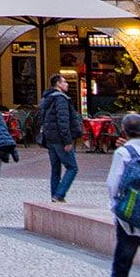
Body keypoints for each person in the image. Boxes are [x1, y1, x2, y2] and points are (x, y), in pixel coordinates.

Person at [104, 112, 140, 277]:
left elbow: (112, 185)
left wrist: (117, 209)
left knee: (120, 272)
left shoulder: (123, 153)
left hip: (128, 221)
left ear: (123, 131)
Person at [38, 72, 83, 202]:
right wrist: (67, 140)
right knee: (72, 167)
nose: (67, 84)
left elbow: (41, 119)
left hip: (50, 138)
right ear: (58, 84)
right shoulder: (61, 99)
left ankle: (54, 196)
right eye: (64, 82)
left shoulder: (47, 99)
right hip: (59, 139)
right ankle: (59, 194)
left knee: (55, 168)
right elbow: (63, 121)